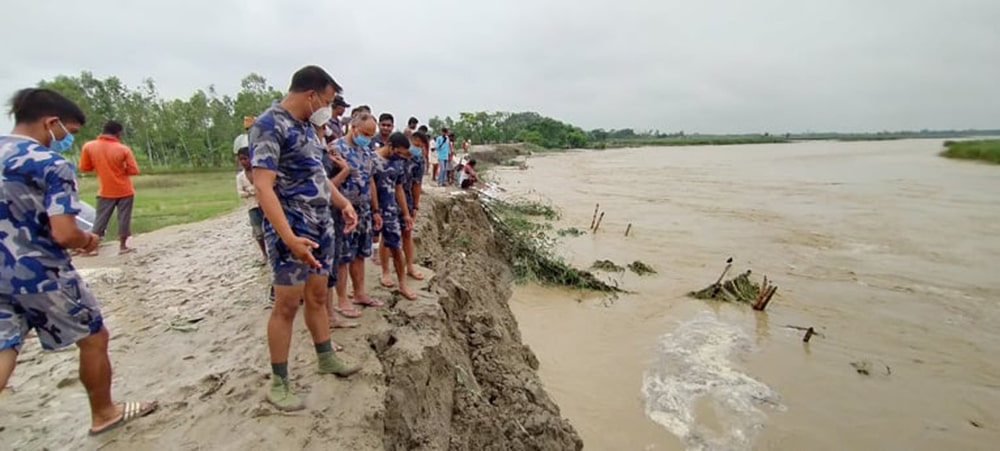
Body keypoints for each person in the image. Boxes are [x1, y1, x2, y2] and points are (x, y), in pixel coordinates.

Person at [0, 88, 157, 435]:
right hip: (40, 273)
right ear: (51, 122)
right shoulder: (50, 163)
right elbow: (63, 232)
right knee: (94, 336)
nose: (67, 138)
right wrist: (87, 240)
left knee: (4, 343)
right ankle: (104, 413)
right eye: (68, 131)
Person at [249, 65, 361, 411]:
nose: (328, 107)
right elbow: (262, 186)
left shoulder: (307, 128)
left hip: (320, 224)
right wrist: (288, 238)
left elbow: (317, 176)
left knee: (317, 296)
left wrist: (342, 204)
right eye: (327, 100)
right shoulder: (268, 124)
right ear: (311, 95)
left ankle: (325, 356)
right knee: (286, 305)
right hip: (292, 228)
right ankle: (279, 381)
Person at [331, 113, 384, 320]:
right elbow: (327, 183)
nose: (368, 138)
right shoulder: (335, 149)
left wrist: (375, 209)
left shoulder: (367, 151)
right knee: (343, 257)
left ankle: (359, 293)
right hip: (342, 212)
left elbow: (371, 181)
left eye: (371, 135)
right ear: (353, 128)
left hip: (363, 211)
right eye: (364, 133)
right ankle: (342, 300)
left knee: (361, 253)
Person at [78, 120, 140, 256]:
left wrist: (101, 166)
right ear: (118, 133)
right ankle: (123, 246)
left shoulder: (89, 146)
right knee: (124, 218)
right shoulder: (123, 149)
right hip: (125, 190)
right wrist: (121, 168)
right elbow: (134, 170)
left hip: (105, 191)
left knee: (100, 220)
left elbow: (84, 167)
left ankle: (93, 248)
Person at [374, 133, 418, 299]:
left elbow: (399, 188)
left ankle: (402, 284)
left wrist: (406, 213)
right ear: (390, 145)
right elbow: (369, 185)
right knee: (359, 252)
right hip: (371, 209)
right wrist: (375, 210)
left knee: (395, 245)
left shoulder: (398, 162)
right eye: (398, 152)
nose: (400, 156)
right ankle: (380, 275)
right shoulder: (372, 159)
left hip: (390, 209)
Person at [234, 134, 267, 259]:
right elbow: (240, 193)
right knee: (258, 232)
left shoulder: (259, 172)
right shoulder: (240, 177)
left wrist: (250, 191)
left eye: (245, 159)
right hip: (252, 207)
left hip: (264, 204)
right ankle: (264, 254)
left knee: (270, 228)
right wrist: (252, 191)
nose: (243, 162)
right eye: (241, 159)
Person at [401, 132, 428, 280]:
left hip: (407, 198)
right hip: (390, 200)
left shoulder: (418, 160)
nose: (418, 148)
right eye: (416, 145)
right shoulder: (396, 155)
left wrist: (415, 207)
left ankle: (409, 266)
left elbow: (417, 185)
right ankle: (386, 271)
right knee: (388, 236)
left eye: (421, 146)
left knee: (407, 233)